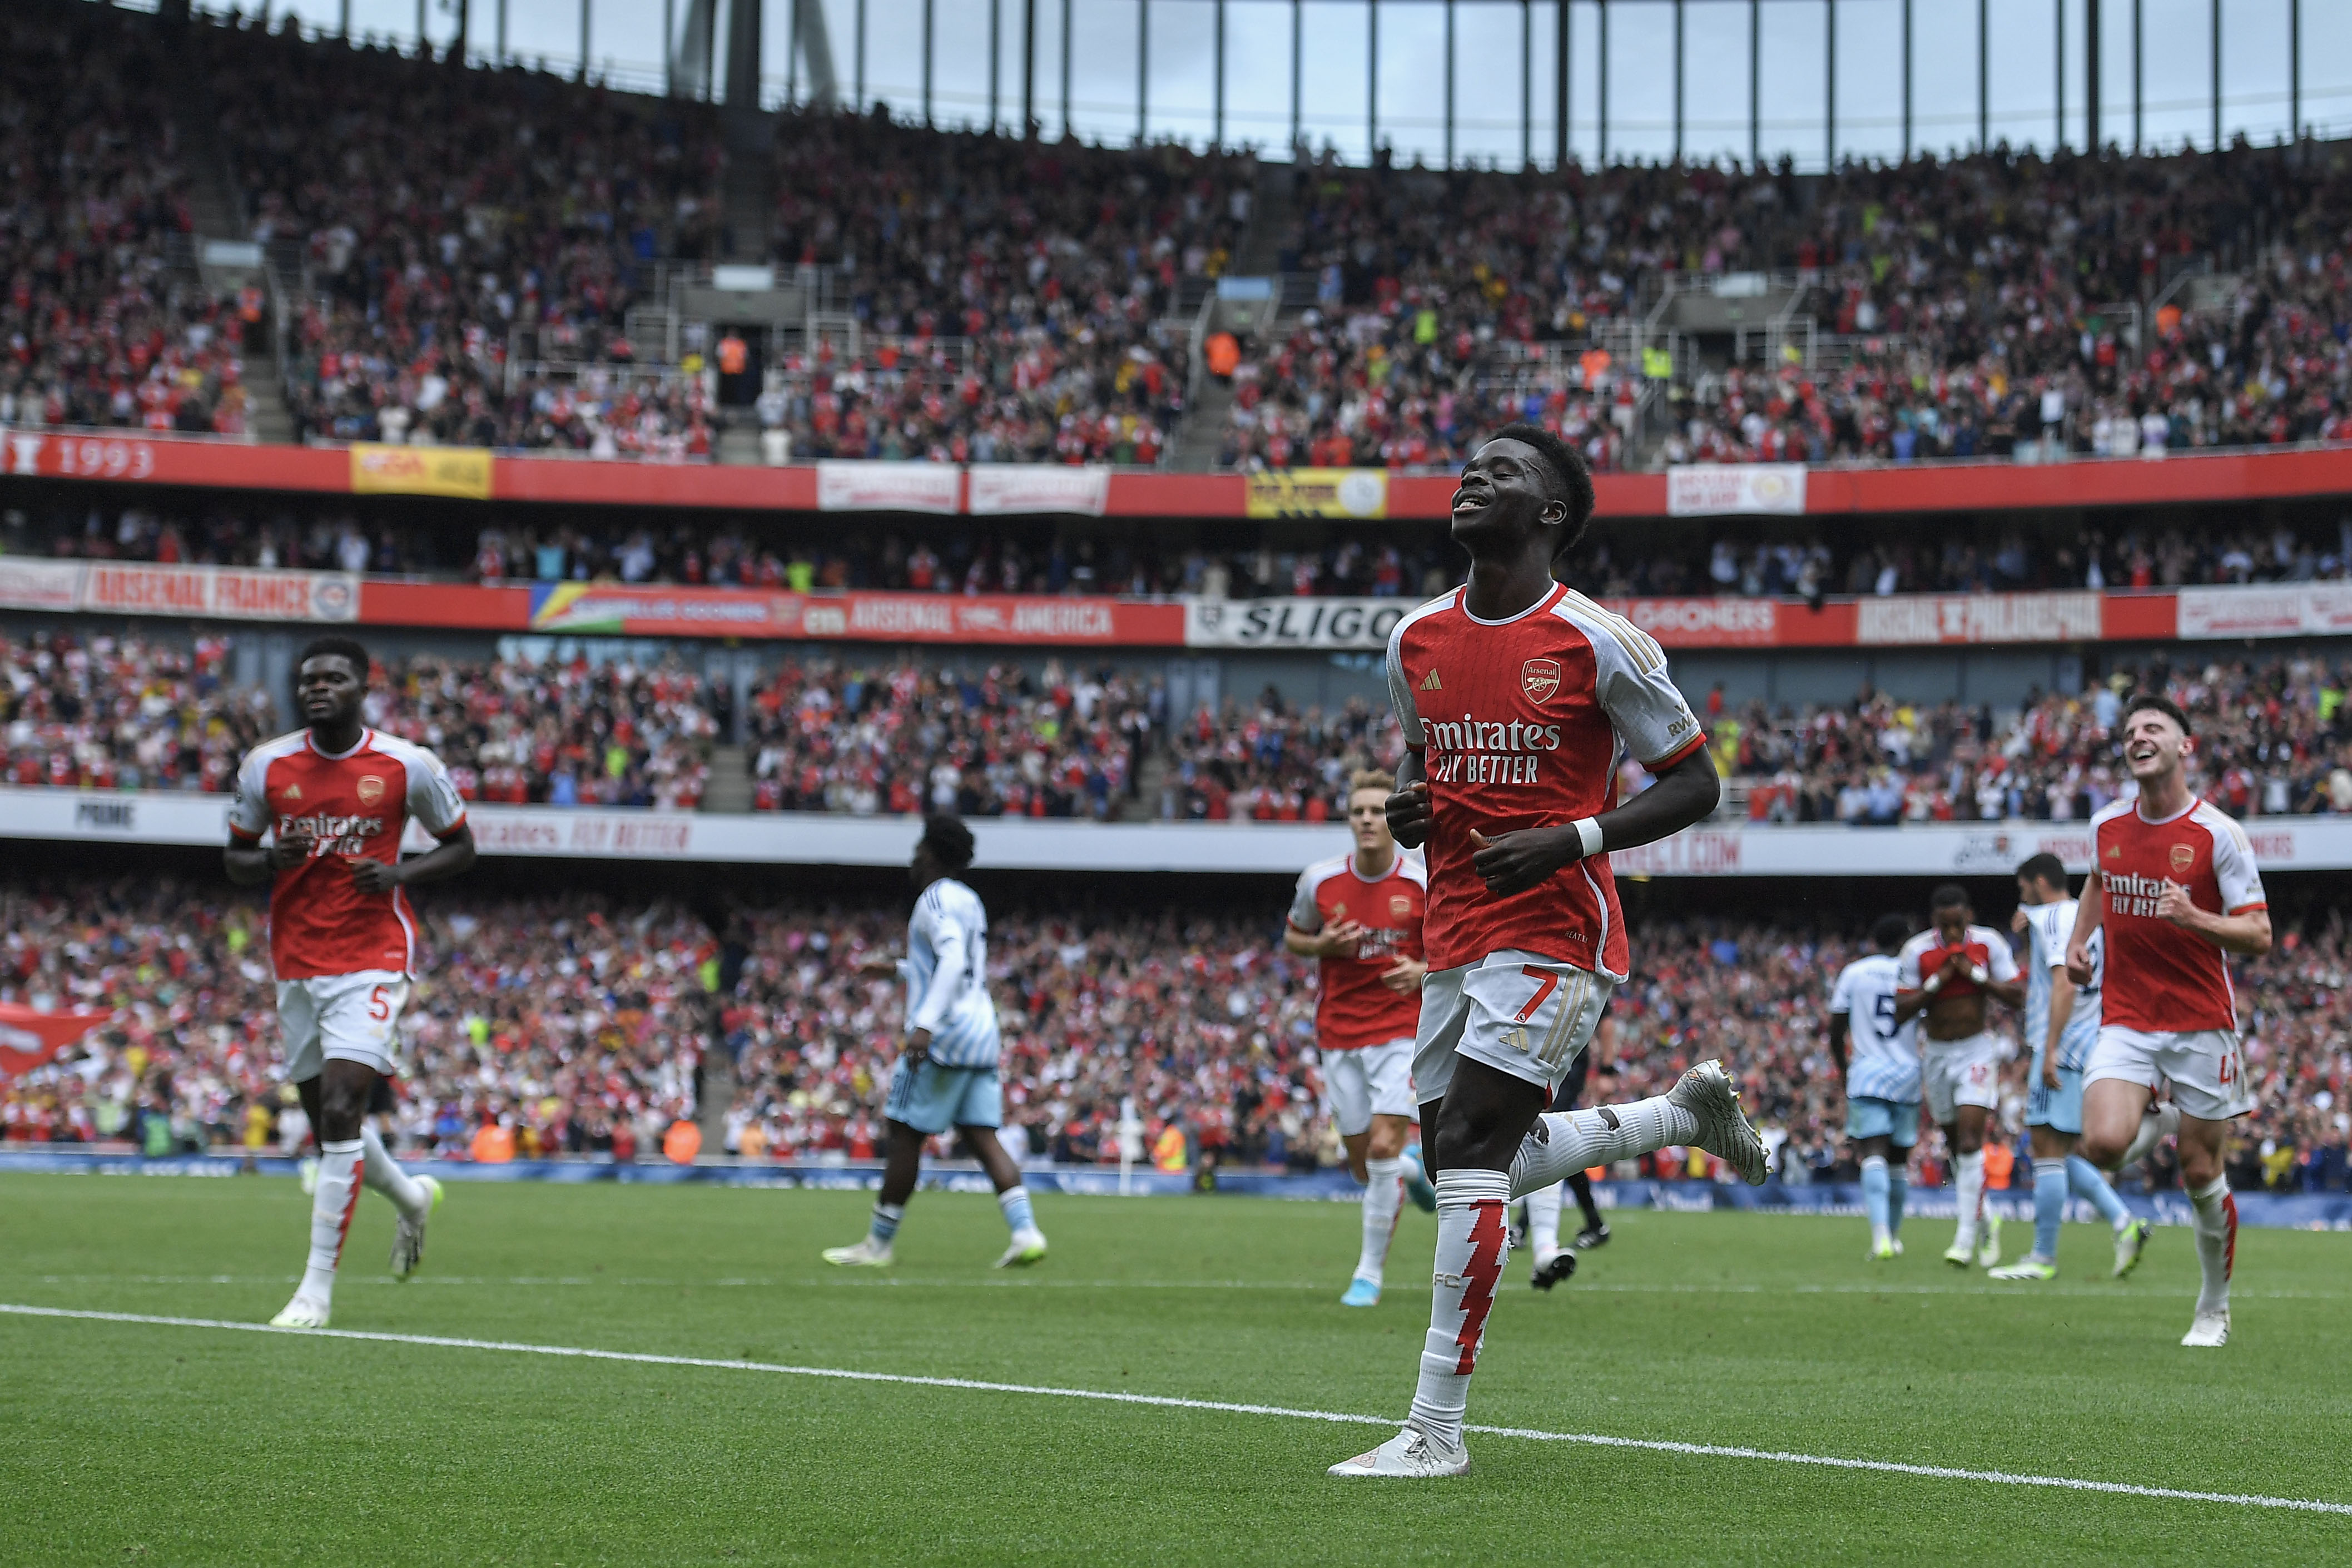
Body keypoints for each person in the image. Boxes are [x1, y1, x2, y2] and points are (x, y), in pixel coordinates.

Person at [1328, 424, 1767, 1480]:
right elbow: (1421, 760)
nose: (1474, 477)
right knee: (1460, 1160)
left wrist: (1574, 837)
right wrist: (1413, 804)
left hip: (1557, 923)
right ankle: (1677, 1117)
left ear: (1551, 514)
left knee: (1471, 1145)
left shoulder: (1599, 640)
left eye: (1505, 472)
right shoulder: (1414, 638)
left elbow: (1696, 783)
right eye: (1470, 468)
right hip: (1454, 926)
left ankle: (1435, 1430)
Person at [225, 636, 474, 1329]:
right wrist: (270, 859)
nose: (319, 688)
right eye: (310, 680)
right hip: (296, 960)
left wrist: (399, 873)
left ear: (364, 688)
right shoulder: (267, 765)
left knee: (340, 1109)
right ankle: (412, 1199)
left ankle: (315, 1292)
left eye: (334, 678)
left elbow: (462, 847)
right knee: (329, 1123)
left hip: (372, 955)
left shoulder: (406, 764)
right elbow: (234, 860)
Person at [2069, 695, 2270, 1347]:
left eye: (2153, 727)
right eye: (2130, 730)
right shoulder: (2106, 825)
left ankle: (2214, 1307)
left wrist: (2194, 918)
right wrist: (2079, 941)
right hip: (2127, 1017)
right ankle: (2154, 1115)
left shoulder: (2218, 833)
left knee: (2200, 1172)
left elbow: (2260, 935)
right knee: (2102, 1145)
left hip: (2201, 1022)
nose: (2138, 736)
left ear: (2186, 746)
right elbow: (2097, 881)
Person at [823, 815, 1047, 1270]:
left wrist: (924, 1025)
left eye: (920, 848)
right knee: (982, 1136)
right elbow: (956, 968)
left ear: (932, 854)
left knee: (905, 1133)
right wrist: (899, 970)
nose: (914, 856)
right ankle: (1026, 1232)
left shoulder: (935, 899)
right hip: (981, 1030)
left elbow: (952, 960)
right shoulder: (969, 899)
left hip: (945, 1033)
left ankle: (878, 1245)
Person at [1283, 768, 1435, 1307]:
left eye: (1377, 811)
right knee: (1361, 1164)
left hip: (1400, 1030)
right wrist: (1322, 945)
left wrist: (1422, 970)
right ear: (1348, 820)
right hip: (1339, 1034)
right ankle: (1413, 1171)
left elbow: (1453, 950)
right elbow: (1294, 937)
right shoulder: (1319, 881)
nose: (1368, 820)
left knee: (1382, 1147)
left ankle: (1368, 1274)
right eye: (1359, 812)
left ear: (1392, 820)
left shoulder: (1421, 882)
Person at [1988, 854, 2151, 1282]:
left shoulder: (2055, 917)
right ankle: (2124, 1222)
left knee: (2046, 1148)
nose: (2022, 898)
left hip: (2065, 1045)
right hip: (2091, 1040)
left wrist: (2050, 1049)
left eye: (2024, 888)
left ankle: (2043, 1257)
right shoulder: (2087, 918)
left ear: (2040, 882)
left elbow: (2064, 982)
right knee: (2065, 1151)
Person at [1894, 885, 2025, 1270]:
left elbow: (2017, 996)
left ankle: (1964, 1240)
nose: (1952, 932)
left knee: (1970, 1141)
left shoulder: (1988, 943)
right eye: (1945, 925)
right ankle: (1986, 1218)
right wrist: (1938, 982)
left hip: (1976, 1050)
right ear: (1934, 921)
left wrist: (1976, 976)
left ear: (1969, 916)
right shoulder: (1917, 951)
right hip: (1936, 1054)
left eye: (1958, 923)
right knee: (1955, 1146)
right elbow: (1901, 1009)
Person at [1829, 914, 1921, 1261]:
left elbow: (1835, 1031)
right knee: (1898, 1162)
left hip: (1867, 1073)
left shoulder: (1855, 973)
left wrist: (1844, 1070)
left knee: (1873, 1155)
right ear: (1902, 941)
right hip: (1908, 1073)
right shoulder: (1914, 974)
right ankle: (1894, 1238)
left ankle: (1880, 1236)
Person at [1517, 1008, 1620, 1288]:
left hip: (1564, 1060)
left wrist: (1607, 1070)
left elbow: (1606, 1020)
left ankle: (1530, 1234)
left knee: (1546, 1135)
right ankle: (1593, 1225)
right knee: (1548, 1139)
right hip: (1536, 1054)